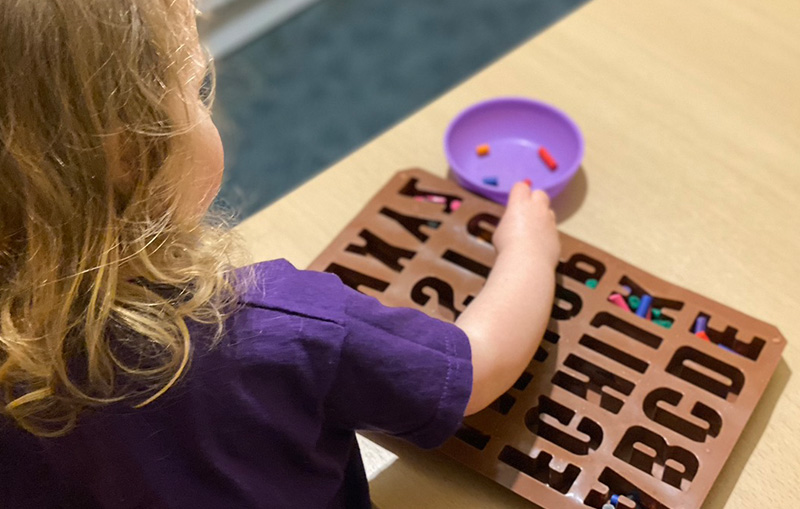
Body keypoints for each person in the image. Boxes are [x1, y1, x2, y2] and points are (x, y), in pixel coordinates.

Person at [0, 1, 559, 507]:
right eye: (193, 90)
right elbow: (478, 370)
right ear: (127, 153)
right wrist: (529, 249)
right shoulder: (272, 328)